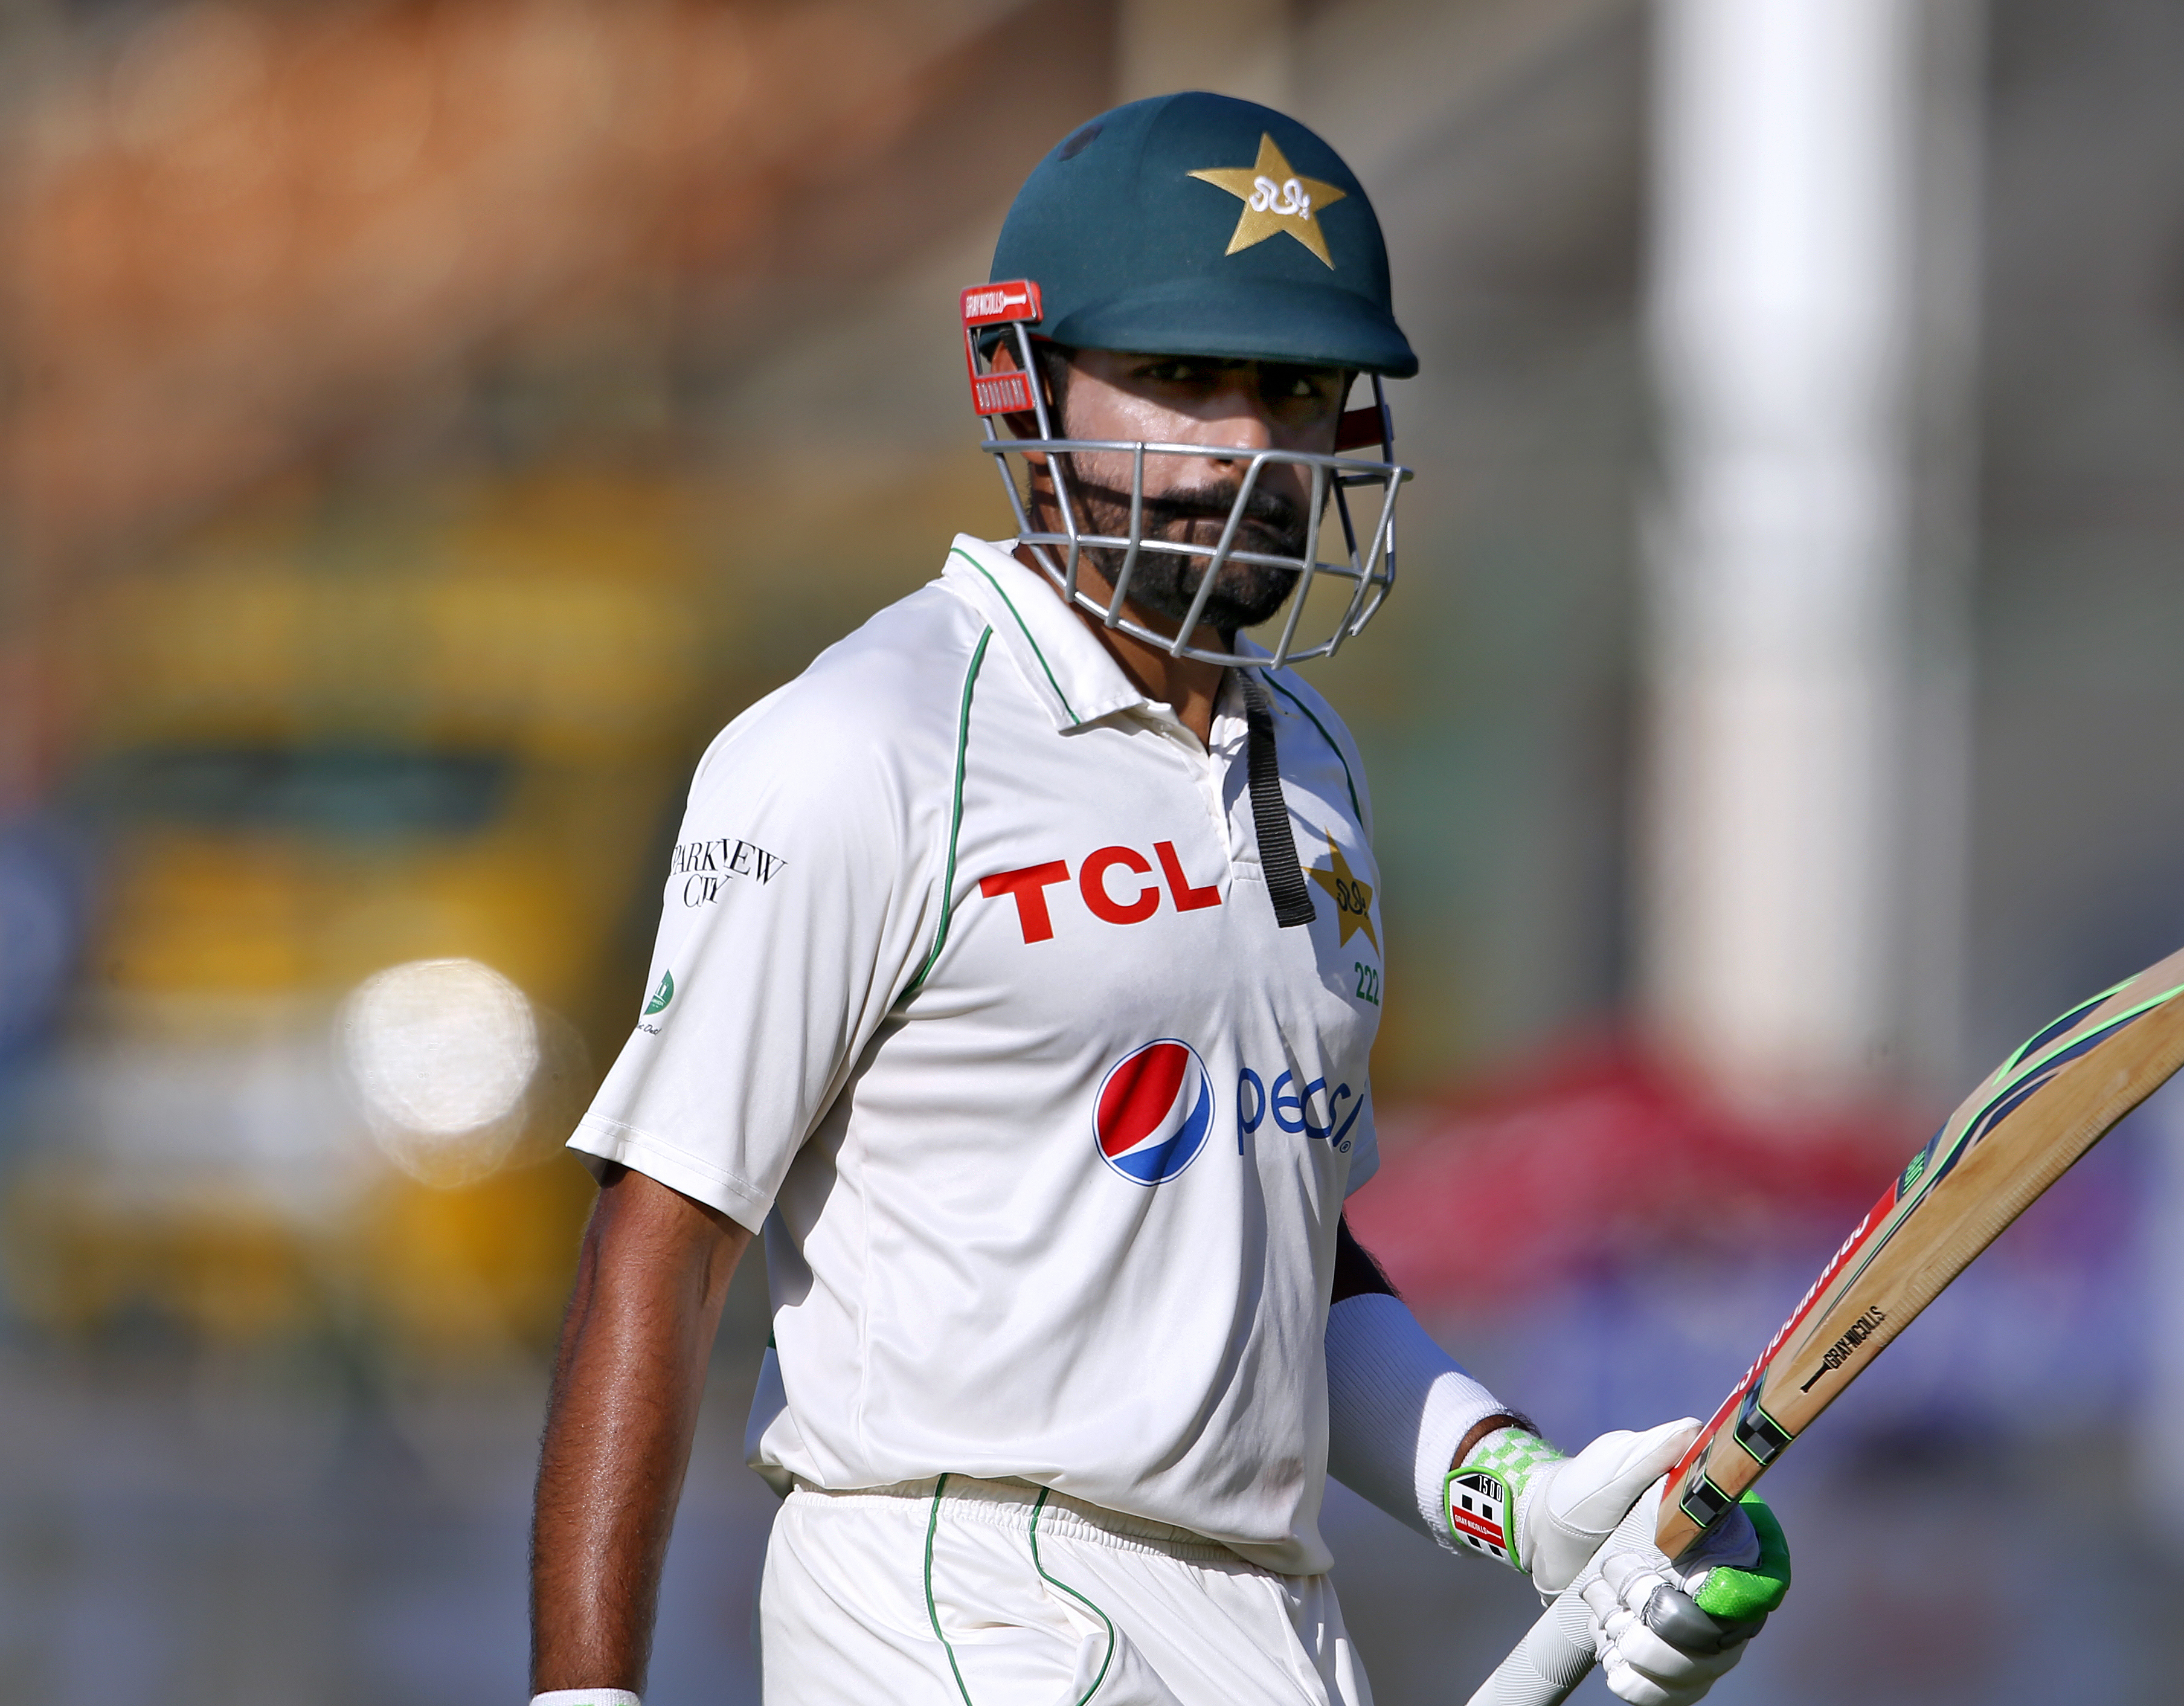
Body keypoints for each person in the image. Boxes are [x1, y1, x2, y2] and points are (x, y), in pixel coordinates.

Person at [528, 91, 1786, 1706]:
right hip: (959, 1595)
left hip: (1269, 1624)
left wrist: (1526, 1501)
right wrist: (584, 1694)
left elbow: (1280, 1270)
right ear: (1020, 379)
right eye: (1181, 379)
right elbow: (660, 1234)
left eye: (1293, 388)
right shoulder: (866, 743)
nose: (1247, 445)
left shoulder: (1314, 766)